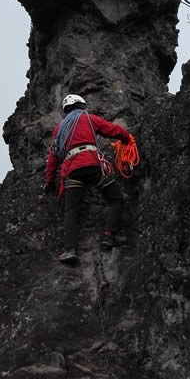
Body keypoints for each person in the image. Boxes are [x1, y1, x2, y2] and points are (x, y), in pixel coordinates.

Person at [44, 94, 131, 264]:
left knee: (71, 210)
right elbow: (112, 129)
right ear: (81, 105)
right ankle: (109, 235)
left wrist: (49, 181)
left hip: (72, 170)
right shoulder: (89, 118)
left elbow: (53, 157)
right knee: (116, 199)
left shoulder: (60, 129)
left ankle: (70, 250)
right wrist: (127, 138)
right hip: (92, 166)